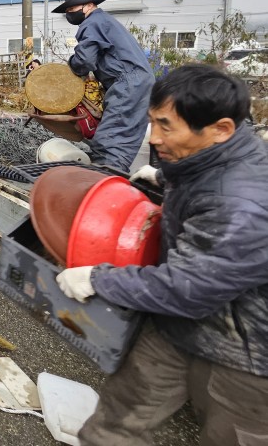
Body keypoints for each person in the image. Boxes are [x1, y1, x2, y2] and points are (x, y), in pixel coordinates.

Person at [55, 65, 268, 445]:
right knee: (112, 424)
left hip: (244, 349)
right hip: (177, 324)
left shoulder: (242, 205)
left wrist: (97, 278)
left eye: (166, 127)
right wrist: (167, 177)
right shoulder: (217, 154)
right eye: (152, 121)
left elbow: (189, 287)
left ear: (221, 129)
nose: (153, 137)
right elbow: (207, 178)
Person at [53, 0, 153, 172]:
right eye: (67, 11)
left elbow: (84, 61)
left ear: (90, 5)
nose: (69, 13)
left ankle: (105, 176)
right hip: (139, 81)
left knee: (110, 137)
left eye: (72, 8)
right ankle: (115, 173)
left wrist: (71, 65)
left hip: (127, 82)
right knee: (126, 135)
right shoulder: (105, 21)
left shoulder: (92, 22)